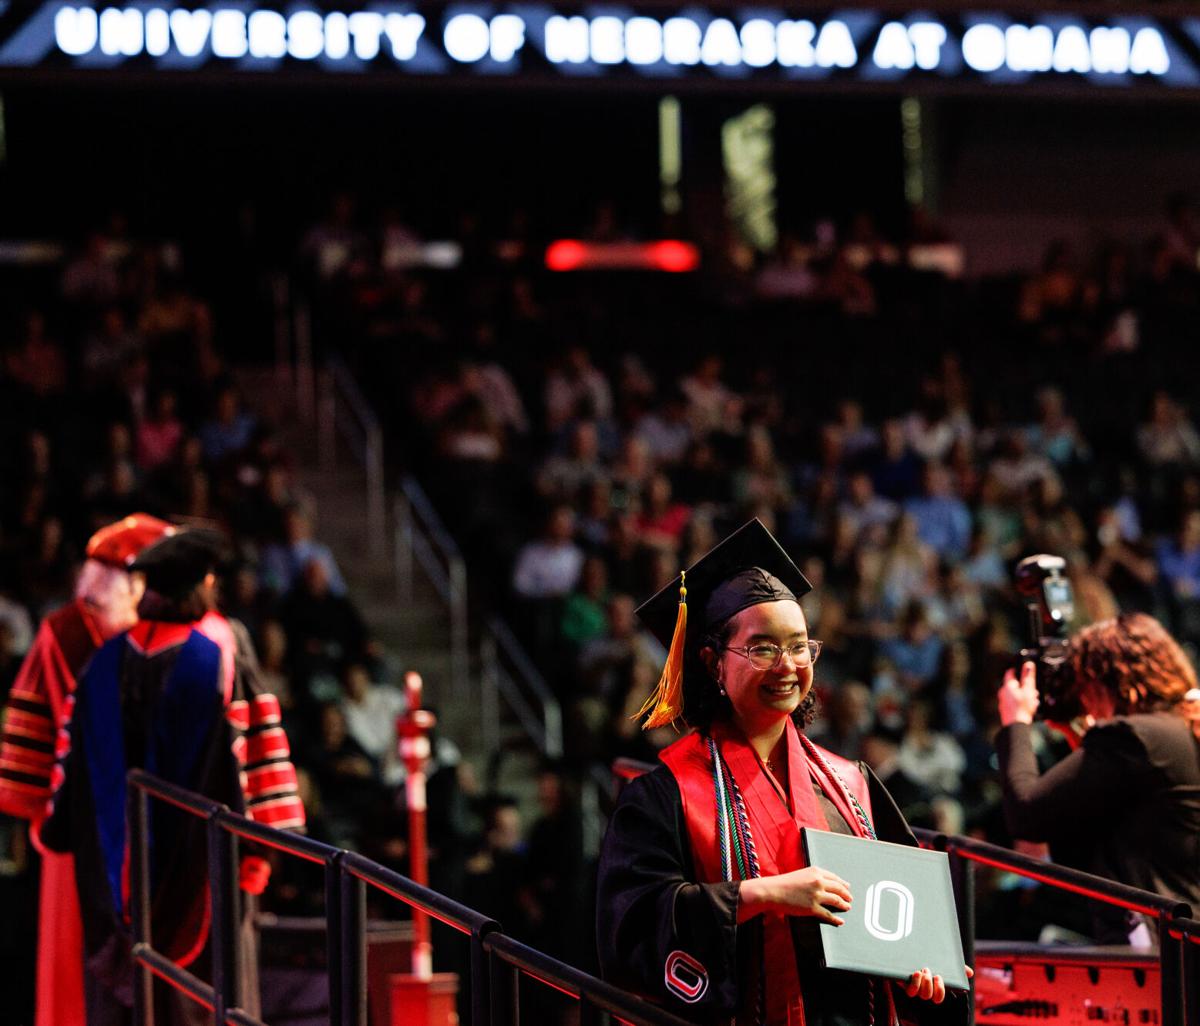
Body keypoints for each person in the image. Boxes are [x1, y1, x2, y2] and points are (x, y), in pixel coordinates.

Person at [596, 520, 969, 1025]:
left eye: (799, 646)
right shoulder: (666, 794)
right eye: (763, 648)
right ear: (711, 663)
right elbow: (633, 924)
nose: (787, 665)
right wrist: (763, 894)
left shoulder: (851, 783)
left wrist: (925, 974)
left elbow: (908, 923)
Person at [0, 513, 175, 1026]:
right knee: (81, 975)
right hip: (81, 830)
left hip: (138, 830)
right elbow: (30, 736)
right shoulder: (68, 634)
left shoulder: (162, 634)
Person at [996, 613, 1200, 941]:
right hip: (1185, 941)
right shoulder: (1178, 729)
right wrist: (1080, 738)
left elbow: (1027, 813)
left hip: (1161, 955)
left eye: (1084, 686)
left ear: (1104, 680)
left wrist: (1015, 721)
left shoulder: (1135, 737)